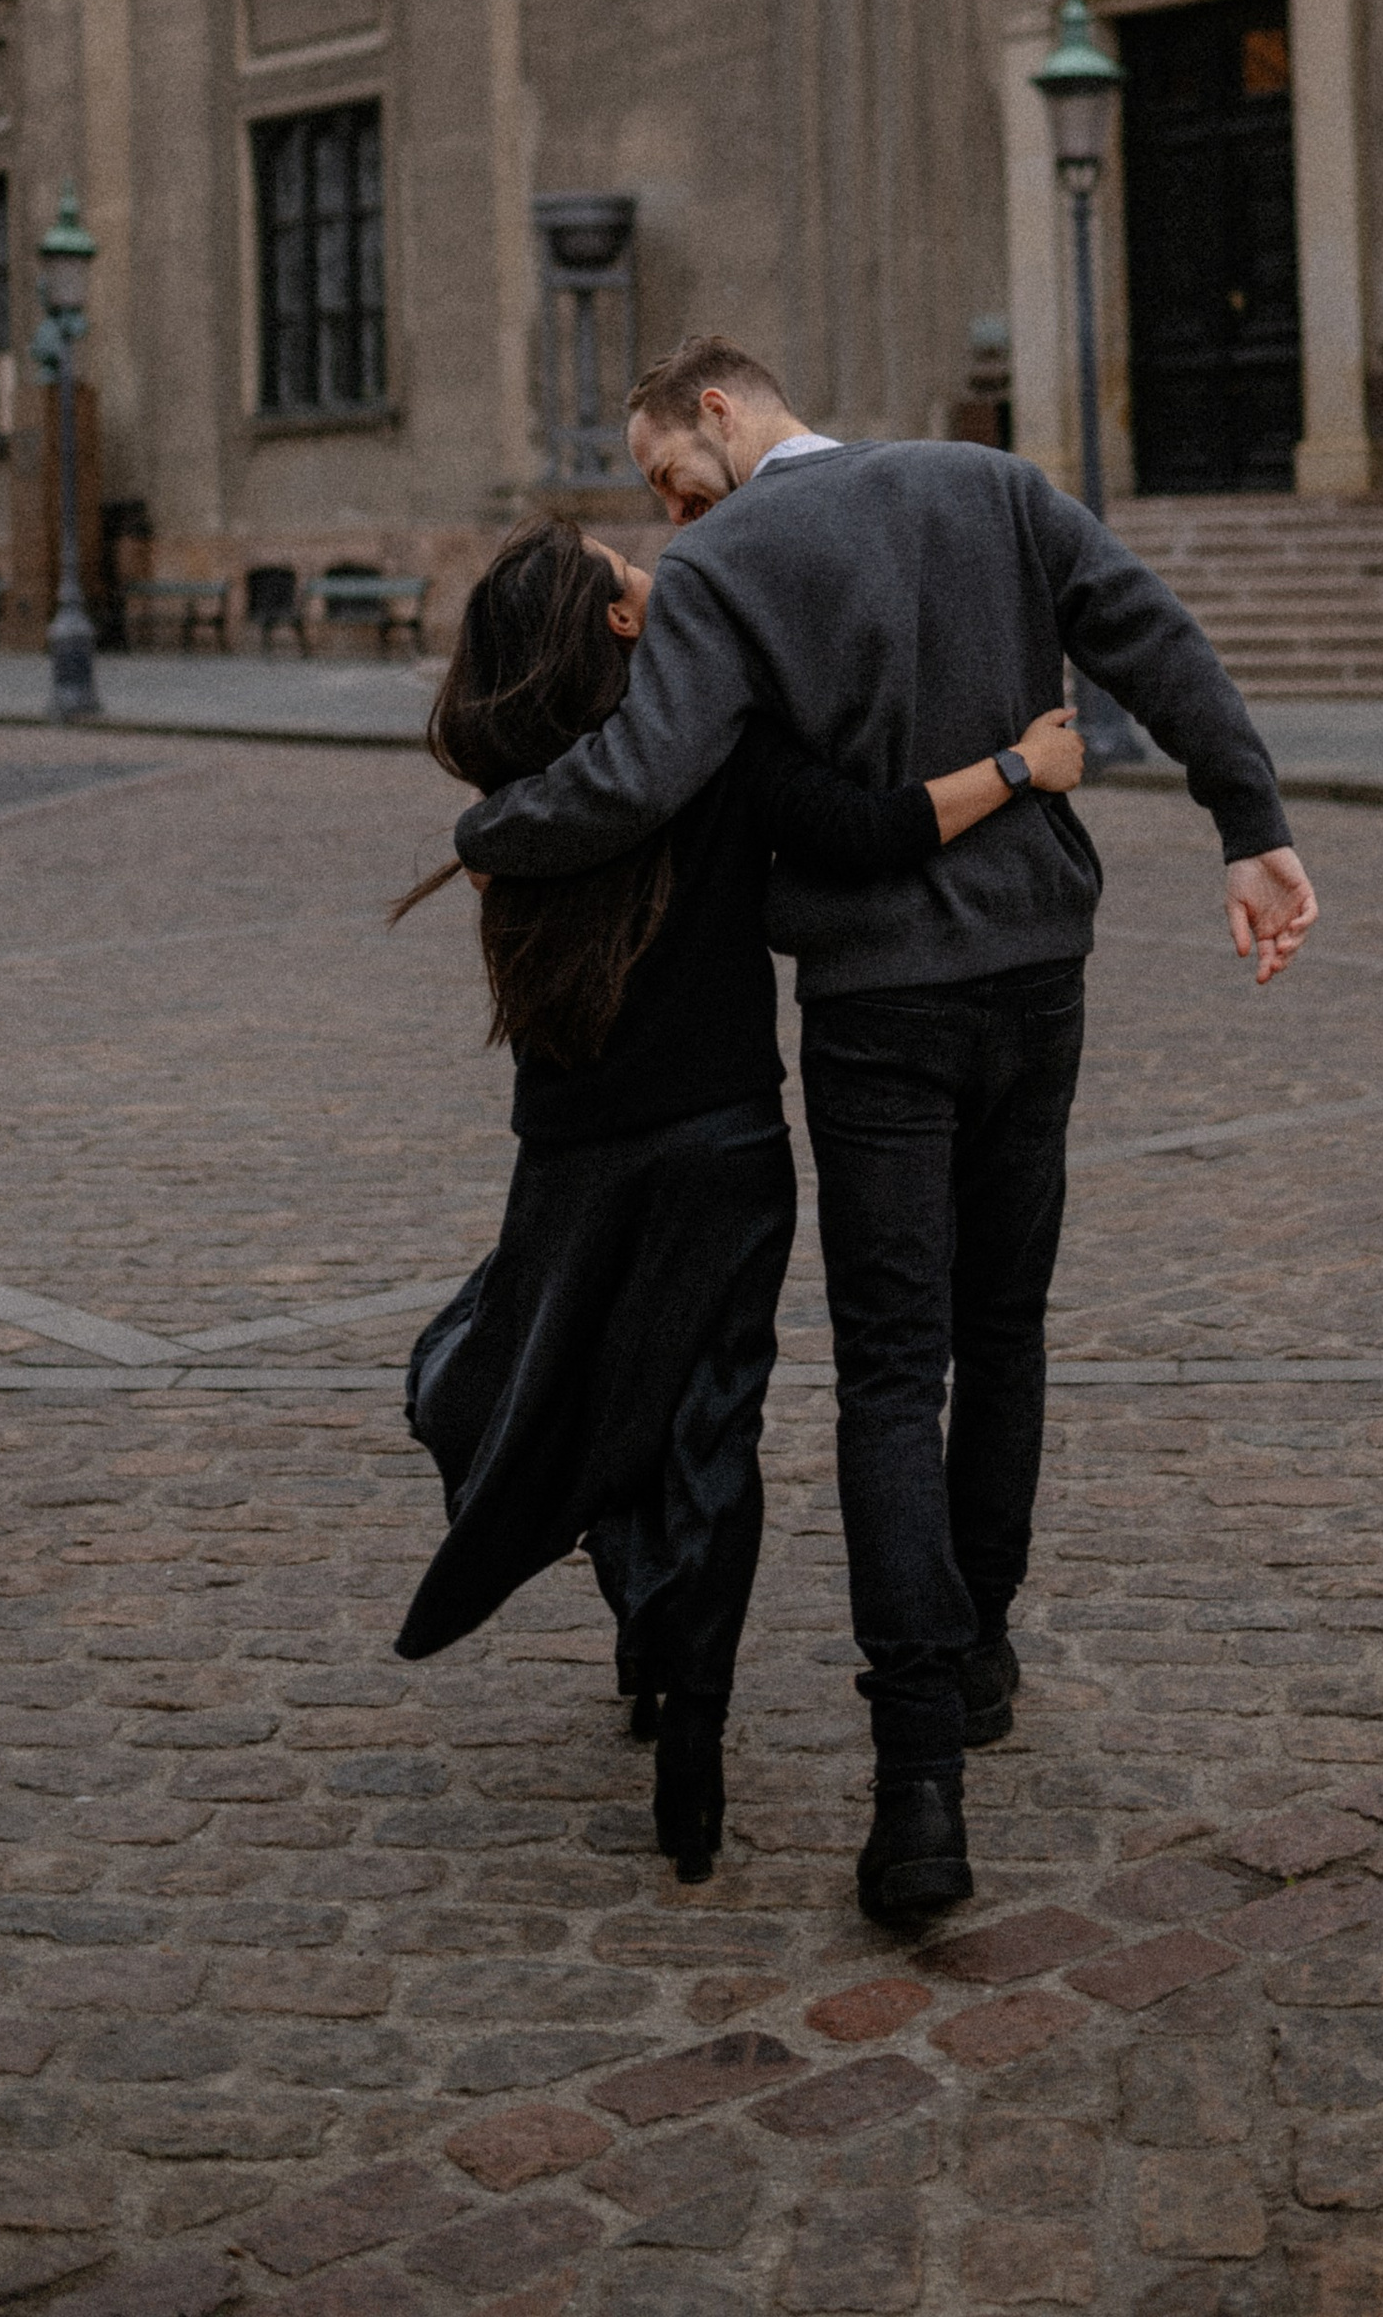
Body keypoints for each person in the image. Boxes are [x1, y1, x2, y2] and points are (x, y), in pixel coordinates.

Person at [454, 337, 1316, 1922]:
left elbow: (640, 776)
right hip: (1037, 981)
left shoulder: (723, 569)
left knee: (891, 1374)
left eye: (667, 474)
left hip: (876, 1012)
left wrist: (492, 827)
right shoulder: (989, 487)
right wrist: (1248, 823)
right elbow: (1152, 636)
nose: (671, 510)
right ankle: (978, 1651)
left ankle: (919, 1791)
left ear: (720, 409)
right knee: (1004, 1330)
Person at [391, 514, 1084, 1886]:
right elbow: (865, 831)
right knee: (712, 1426)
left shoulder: (528, 802)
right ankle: (692, 1738)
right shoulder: (720, 743)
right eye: (626, 565)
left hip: (576, 1161)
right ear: (619, 621)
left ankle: (644, 1629)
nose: (655, 564)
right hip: (725, 1148)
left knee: (542, 1385)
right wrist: (1021, 765)